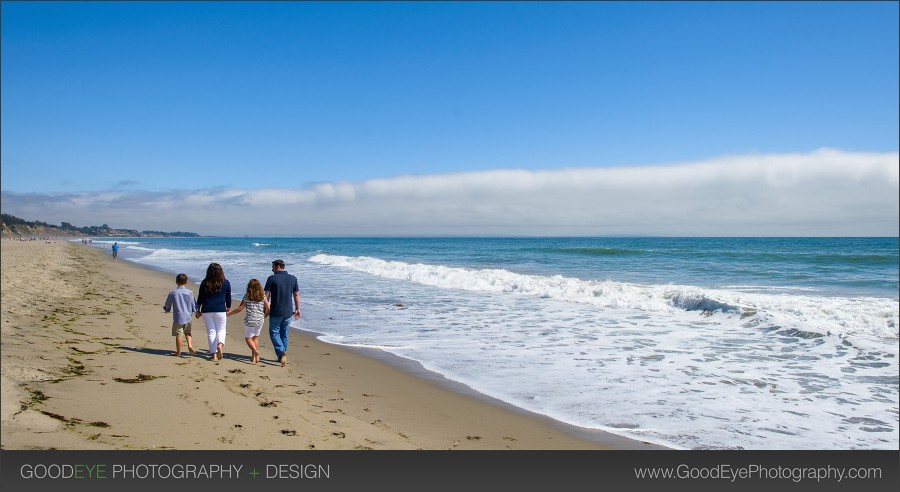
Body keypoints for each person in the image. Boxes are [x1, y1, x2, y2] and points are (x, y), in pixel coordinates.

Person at [264, 259, 300, 367]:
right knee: (284, 333)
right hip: (288, 311)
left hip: (275, 310)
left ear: (278, 266)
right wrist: (298, 308)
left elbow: (266, 296)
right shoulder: (293, 278)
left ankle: (281, 351)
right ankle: (281, 355)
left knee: (274, 332)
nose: (272, 269)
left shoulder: (271, 278)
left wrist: (266, 309)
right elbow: (296, 295)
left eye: (273, 267)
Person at [195, 263, 232, 361]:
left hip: (207, 310)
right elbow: (228, 297)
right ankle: (220, 344)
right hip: (220, 309)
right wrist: (228, 307)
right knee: (221, 330)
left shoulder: (204, 282)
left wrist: (197, 309)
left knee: (211, 332)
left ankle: (214, 354)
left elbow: (200, 297)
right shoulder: (226, 282)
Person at [227, 279, 269, 364]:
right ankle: (254, 358)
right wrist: (265, 314)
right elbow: (268, 307)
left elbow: (240, 308)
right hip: (260, 319)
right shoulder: (263, 296)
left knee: (248, 338)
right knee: (255, 337)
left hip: (250, 319)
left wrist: (229, 314)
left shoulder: (247, 296)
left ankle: (255, 352)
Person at [163, 273, 196, 358]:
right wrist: (195, 310)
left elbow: (168, 303)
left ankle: (178, 352)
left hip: (178, 317)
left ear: (176, 282)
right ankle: (190, 345)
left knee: (179, 334)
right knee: (188, 332)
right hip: (188, 316)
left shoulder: (173, 293)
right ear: (186, 282)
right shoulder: (190, 292)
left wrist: (167, 309)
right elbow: (193, 303)